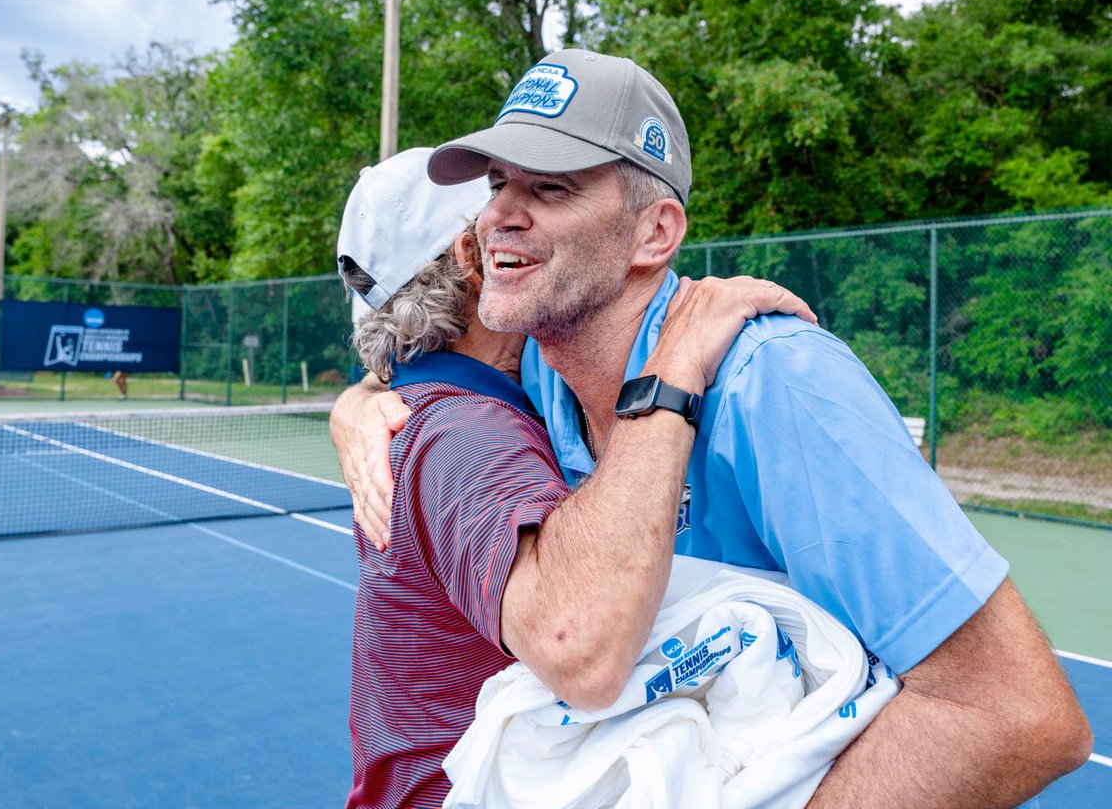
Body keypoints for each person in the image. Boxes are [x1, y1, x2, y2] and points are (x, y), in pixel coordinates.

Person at [332, 49, 1092, 808]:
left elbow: (1019, 716)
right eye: (499, 183)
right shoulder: (542, 375)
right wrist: (364, 403)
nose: (500, 214)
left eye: (552, 187)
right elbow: (441, 366)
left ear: (654, 233)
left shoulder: (778, 382)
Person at [335, 147, 818, 808]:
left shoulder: (425, 408)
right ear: (475, 258)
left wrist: (355, 400)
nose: (518, 221)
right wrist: (675, 364)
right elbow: (577, 646)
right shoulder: (465, 435)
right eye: (500, 205)